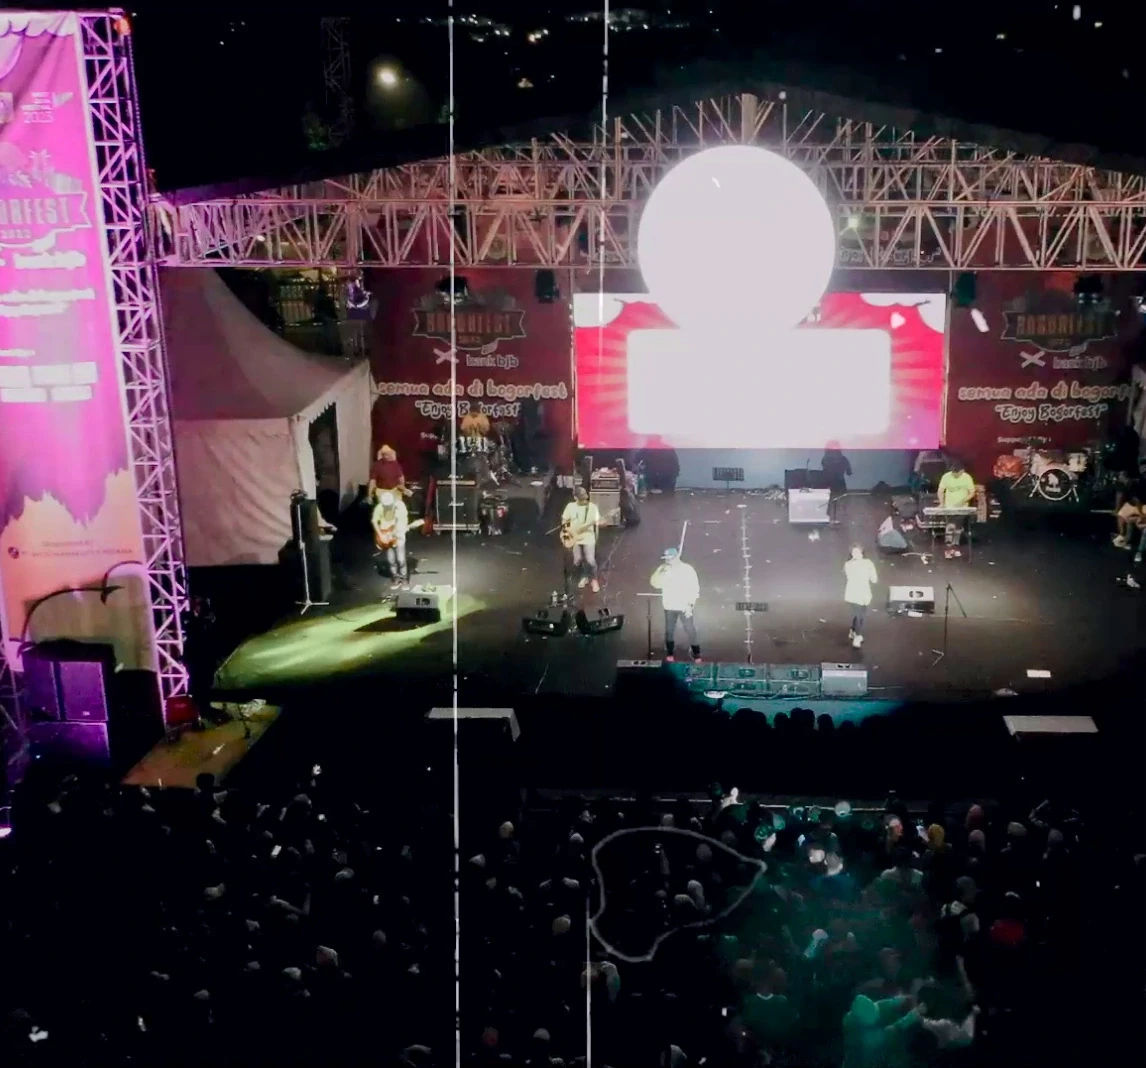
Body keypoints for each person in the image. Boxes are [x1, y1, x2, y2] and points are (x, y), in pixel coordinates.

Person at [650, 547, 700, 662]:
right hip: (669, 606)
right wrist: (660, 572)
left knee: (690, 629)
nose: (668, 560)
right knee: (669, 631)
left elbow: (694, 587)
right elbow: (655, 584)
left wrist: (691, 604)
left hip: (684, 606)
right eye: (666, 558)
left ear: (677, 557)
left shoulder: (687, 569)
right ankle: (670, 654)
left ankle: (697, 654)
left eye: (670, 558)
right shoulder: (663, 569)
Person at [560, 486, 601, 592]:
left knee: (590, 560)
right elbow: (564, 521)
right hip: (575, 537)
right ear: (575, 498)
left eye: (585, 498)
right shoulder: (570, 507)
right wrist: (566, 534)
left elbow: (598, 523)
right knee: (577, 560)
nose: (584, 500)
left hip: (588, 536)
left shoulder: (592, 507)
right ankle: (584, 576)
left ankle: (594, 580)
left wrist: (599, 527)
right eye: (581, 498)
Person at [936, 460, 976, 560]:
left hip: (962, 508)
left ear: (962, 471)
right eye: (953, 472)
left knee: (958, 528)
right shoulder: (946, 477)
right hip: (949, 507)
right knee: (950, 526)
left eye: (957, 473)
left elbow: (972, 492)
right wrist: (942, 503)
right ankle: (948, 549)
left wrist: (963, 500)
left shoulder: (967, 478)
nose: (955, 474)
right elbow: (940, 491)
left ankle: (955, 547)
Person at [372, 490, 409, 586]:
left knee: (401, 559)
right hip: (385, 534)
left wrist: (394, 533)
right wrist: (381, 535)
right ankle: (395, 577)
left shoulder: (400, 506)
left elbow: (401, 522)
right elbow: (374, 521)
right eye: (385, 506)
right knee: (391, 560)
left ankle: (404, 578)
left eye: (389, 506)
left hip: (398, 532)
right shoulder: (379, 507)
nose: (387, 508)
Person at [844, 545, 878, 649]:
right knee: (859, 615)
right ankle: (857, 637)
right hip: (854, 593)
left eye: (858, 552)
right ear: (851, 554)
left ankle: (853, 631)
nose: (856, 554)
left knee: (860, 615)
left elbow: (874, 579)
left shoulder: (867, 563)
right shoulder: (849, 564)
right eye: (854, 552)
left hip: (864, 593)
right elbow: (852, 577)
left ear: (862, 553)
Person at [822, 442, 853, 522]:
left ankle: (828, 515)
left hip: (829, 483)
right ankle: (842, 516)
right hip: (840, 483)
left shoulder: (825, 459)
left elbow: (824, 472)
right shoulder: (844, 459)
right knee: (842, 501)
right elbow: (849, 473)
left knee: (828, 500)